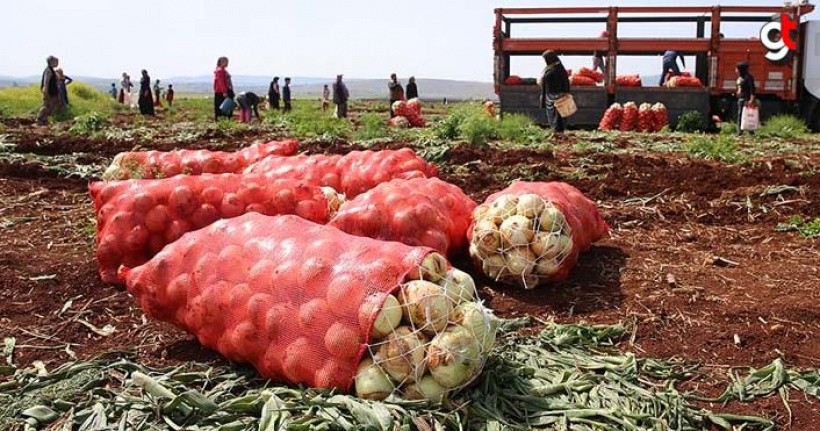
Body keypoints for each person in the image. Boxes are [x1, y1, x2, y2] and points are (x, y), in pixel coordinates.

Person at [539, 50, 571, 134]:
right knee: (552, 116)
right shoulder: (549, 68)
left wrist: (566, 93)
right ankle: (555, 132)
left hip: (559, 96)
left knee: (559, 116)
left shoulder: (559, 69)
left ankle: (559, 132)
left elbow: (565, 82)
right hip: (549, 96)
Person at [35, 56, 61, 126]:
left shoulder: (51, 70)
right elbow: (46, 82)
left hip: (52, 91)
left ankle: (44, 119)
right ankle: (39, 118)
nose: (57, 63)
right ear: (52, 62)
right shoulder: (48, 70)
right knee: (46, 105)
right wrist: (46, 92)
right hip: (49, 91)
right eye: (56, 62)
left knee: (51, 106)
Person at [736, 61, 756, 133]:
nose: (736, 70)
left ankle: (747, 131)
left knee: (746, 115)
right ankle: (740, 131)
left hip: (746, 99)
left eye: (737, 68)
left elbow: (752, 88)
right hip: (741, 98)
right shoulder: (741, 77)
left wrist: (751, 99)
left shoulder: (748, 77)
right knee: (740, 115)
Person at [213, 56, 234, 120]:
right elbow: (221, 82)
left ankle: (225, 118)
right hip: (222, 91)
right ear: (222, 62)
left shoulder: (222, 70)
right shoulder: (220, 71)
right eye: (226, 61)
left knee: (226, 104)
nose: (227, 63)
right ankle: (224, 118)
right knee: (224, 105)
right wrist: (224, 91)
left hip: (224, 90)